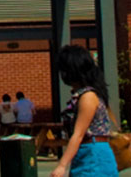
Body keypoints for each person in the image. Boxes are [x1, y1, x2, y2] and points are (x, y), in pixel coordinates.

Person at [50, 44, 117, 177]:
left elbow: (78, 134)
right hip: (90, 153)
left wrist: (62, 165)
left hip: (92, 155)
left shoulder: (87, 97)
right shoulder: (88, 94)